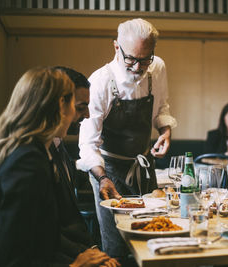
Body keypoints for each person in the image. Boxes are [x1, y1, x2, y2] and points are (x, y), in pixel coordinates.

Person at [0, 67, 116, 266]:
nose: (86, 115)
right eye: (75, 104)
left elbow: (38, 240)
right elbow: (13, 257)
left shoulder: (34, 152)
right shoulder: (26, 162)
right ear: (61, 105)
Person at [77, 18, 177, 259]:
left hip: (143, 167)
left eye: (145, 59)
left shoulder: (158, 68)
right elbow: (88, 143)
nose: (137, 67)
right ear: (116, 47)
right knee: (116, 247)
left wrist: (165, 132)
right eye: (131, 58)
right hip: (107, 172)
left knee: (154, 238)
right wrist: (102, 178)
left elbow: (162, 108)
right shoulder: (100, 81)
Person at [49, 67, 120, 266]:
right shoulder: (31, 159)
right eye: (81, 107)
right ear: (59, 104)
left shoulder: (56, 146)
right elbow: (35, 237)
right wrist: (80, 261)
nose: (88, 115)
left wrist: (92, 250)